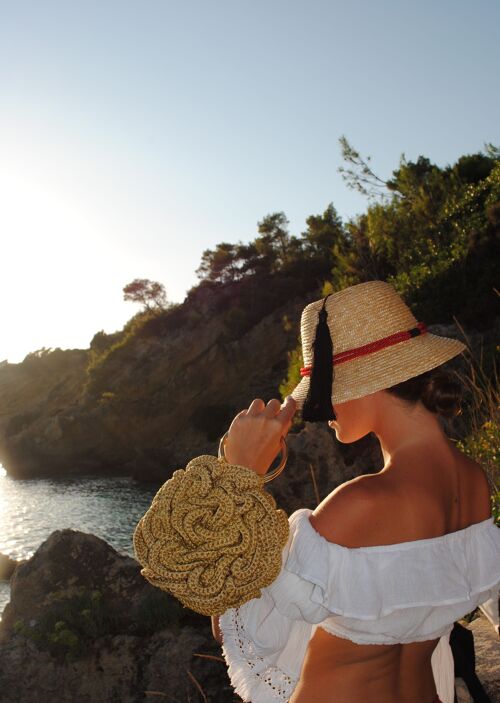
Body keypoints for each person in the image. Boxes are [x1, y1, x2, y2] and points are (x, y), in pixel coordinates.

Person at [212, 280, 500, 703]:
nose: (320, 410)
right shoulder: (475, 481)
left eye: (323, 392)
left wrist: (240, 474)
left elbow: (231, 619)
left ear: (366, 382)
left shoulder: (360, 504)